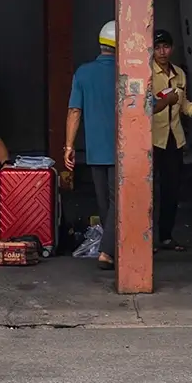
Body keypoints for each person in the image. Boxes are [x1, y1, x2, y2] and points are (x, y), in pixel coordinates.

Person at [64, 21, 119, 271]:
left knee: (105, 204)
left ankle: (112, 249)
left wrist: (68, 145)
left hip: (96, 151)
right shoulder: (128, 72)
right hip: (122, 151)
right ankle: (107, 252)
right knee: (118, 202)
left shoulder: (83, 73)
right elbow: (148, 106)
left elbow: (74, 111)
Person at [151, 29, 192, 253]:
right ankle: (146, 238)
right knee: (148, 191)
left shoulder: (179, 74)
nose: (162, 52)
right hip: (152, 139)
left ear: (172, 48)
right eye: (157, 48)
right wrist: (167, 100)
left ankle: (166, 236)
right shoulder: (148, 73)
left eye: (165, 47)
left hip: (173, 140)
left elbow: (183, 103)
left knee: (171, 190)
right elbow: (146, 107)